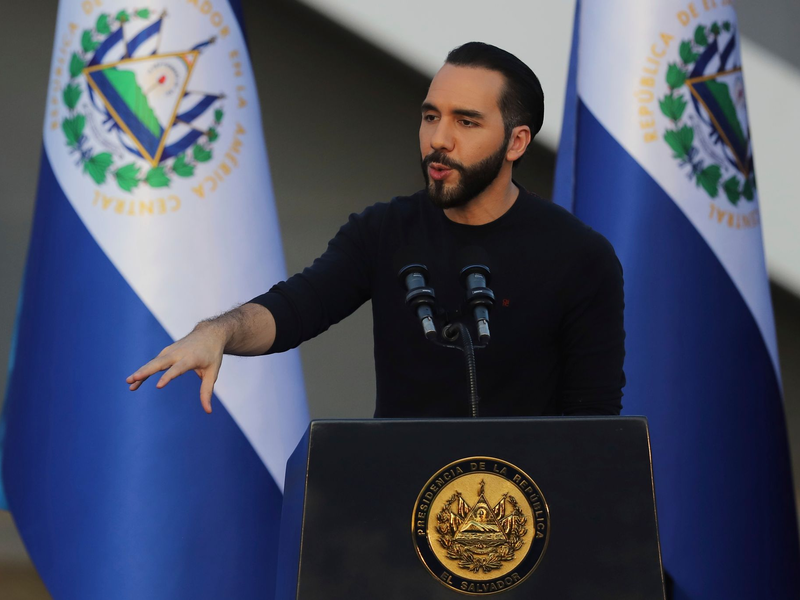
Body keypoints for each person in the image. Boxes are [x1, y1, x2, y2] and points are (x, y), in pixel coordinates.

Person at [127, 42, 625, 418]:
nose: (438, 139)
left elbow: (595, 424)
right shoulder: (384, 231)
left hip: (524, 525)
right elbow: (294, 309)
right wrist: (217, 332)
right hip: (398, 517)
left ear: (516, 142)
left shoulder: (579, 256)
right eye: (431, 116)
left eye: (466, 122)